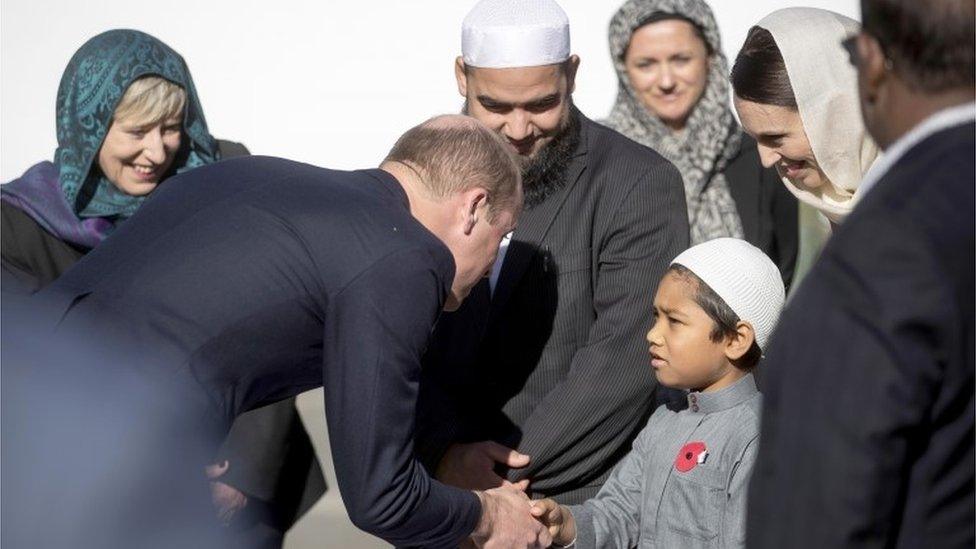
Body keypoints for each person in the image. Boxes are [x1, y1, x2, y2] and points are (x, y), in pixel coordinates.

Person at [31, 114, 554, 548]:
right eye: (501, 236)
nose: (491, 265)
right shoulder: (406, 257)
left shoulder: (252, 175)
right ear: (474, 206)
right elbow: (381, 499)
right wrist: (486, 518)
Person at [0, 29, 324, 547]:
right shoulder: (18, 226)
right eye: (136, 130)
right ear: (87, 126)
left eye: (172, 127)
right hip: (91, 493)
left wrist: (240, 476)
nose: (157, 150)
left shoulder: (225, 180)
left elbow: (275, 327)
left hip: (231, 486)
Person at [415, 0, 689, 508]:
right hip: (435, 494)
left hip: (561, 502)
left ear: (572, 74)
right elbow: (394, 338)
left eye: (541, 104)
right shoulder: (420, 177)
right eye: (494, 106)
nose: (519, 131)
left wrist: (501, 477)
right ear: (461, 76)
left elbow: (624, 356)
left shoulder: (635, 182)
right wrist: (440, 455)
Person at [746, 0, 974, 546]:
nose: (763, 160)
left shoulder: (883, 251)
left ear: (864, 70)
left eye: (776, 138)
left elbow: (822, 497)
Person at [529, 238, 784, 548]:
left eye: (674, 321)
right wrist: (567, 525)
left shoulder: (757, 439)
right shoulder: (664, 421)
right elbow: (618, 514)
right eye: (655, 317)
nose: (653, 334)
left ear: (736, 339)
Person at [604, 0, 796, 287]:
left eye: (681, 59)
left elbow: (783, 267)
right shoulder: (604, 158)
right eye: (646, 64)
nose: (666, 80)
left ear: (710, 58)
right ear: (624, 70)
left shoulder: (759, 152)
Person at [729, 8, 880, 288]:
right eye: (755, 139)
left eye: (776, 137)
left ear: (837, 117)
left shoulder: (939, 196)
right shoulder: (830, 202)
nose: (765, 159)